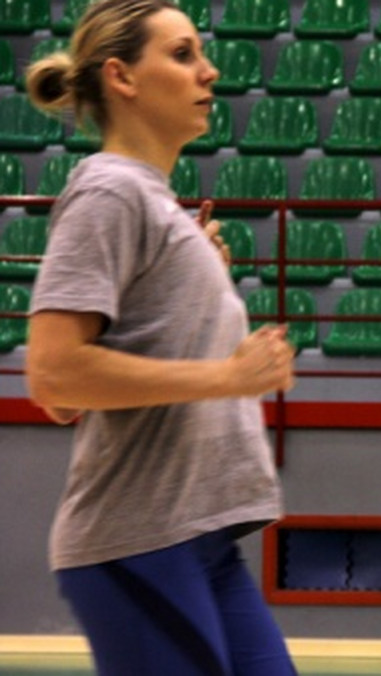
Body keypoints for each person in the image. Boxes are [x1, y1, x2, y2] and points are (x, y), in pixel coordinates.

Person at [22, 1, 297, 674]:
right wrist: (228, 376)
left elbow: (74, 401)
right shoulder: (110, 193)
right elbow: (54, 379)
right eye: (182, 55)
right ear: (122, 76)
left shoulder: (153, 205)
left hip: (200, 539)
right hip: (136, 542)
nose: (209, 70)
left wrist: (193, 278)